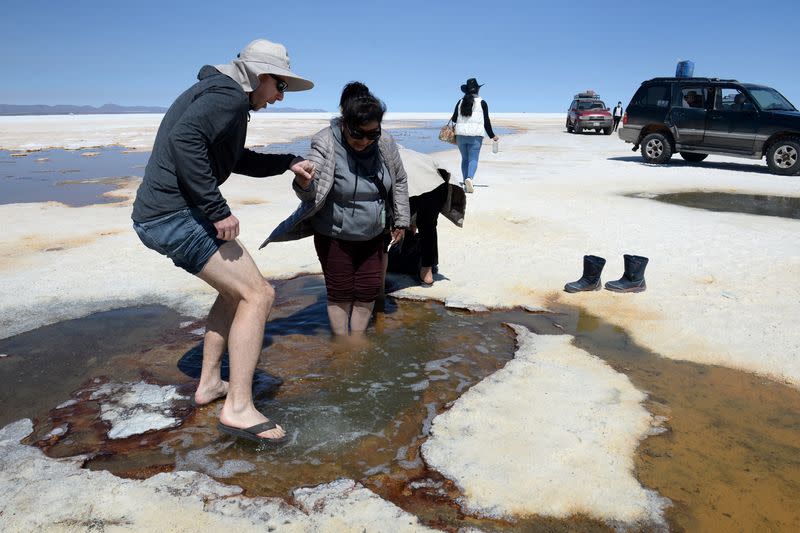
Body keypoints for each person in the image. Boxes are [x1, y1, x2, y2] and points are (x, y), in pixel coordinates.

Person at [131, 39, 314, 445]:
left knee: (237, 293)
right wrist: (217, 210)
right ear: (260, 76)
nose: (280, 97)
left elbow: (235, 159)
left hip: (167, 213)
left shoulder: (223, 95)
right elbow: (185, 143)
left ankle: (210, 382)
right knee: (259, 295)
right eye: (280, 86)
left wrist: (287, 162)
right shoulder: (228, 96)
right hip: (174, 215)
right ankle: (238, 408)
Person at [261, 82, 410, 336]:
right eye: (358, 134)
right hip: (334, 235)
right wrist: (303, 182)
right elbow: (311, 188)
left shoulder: (385, 142)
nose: (365, 140)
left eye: (372, 134)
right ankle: (342, 342)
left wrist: (402, 219)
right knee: (340, 293)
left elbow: (399, 180)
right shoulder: (325, 142)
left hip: (374, 233)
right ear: (344, 123)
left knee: (367, 291)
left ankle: (357, 339)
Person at [387, 148, 465, 286]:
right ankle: (426, 272)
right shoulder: (407, 153)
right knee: (428, 227)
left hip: (421, 187)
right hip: (436, 182)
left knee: (389, 225)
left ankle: (380, 276)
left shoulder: (382, 155)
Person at [451, 77, 498, 194]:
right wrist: (492, 136)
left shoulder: (460, 101)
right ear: (477, 90)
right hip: (475, 135)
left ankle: (465, 182)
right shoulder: (482, 103)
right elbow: (486, 121)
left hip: (461, 135)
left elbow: (454, 118)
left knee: (465, 159)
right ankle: (469, 178)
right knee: (473, 159)